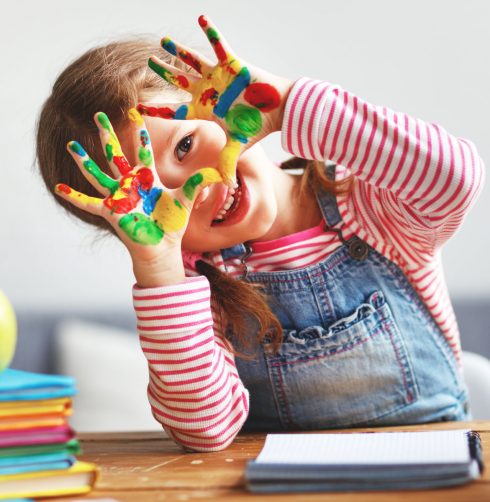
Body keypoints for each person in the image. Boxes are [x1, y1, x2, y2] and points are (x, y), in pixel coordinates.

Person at [37, 15, 485, 452]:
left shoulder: (370, 205)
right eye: (151, 196)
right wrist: (159, 268)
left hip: (435, 464)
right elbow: (205, 431)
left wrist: (286, 104)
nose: (196, 187)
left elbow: (453, 178)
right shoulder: (195, 287)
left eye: (185, 145)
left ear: (225, 105)